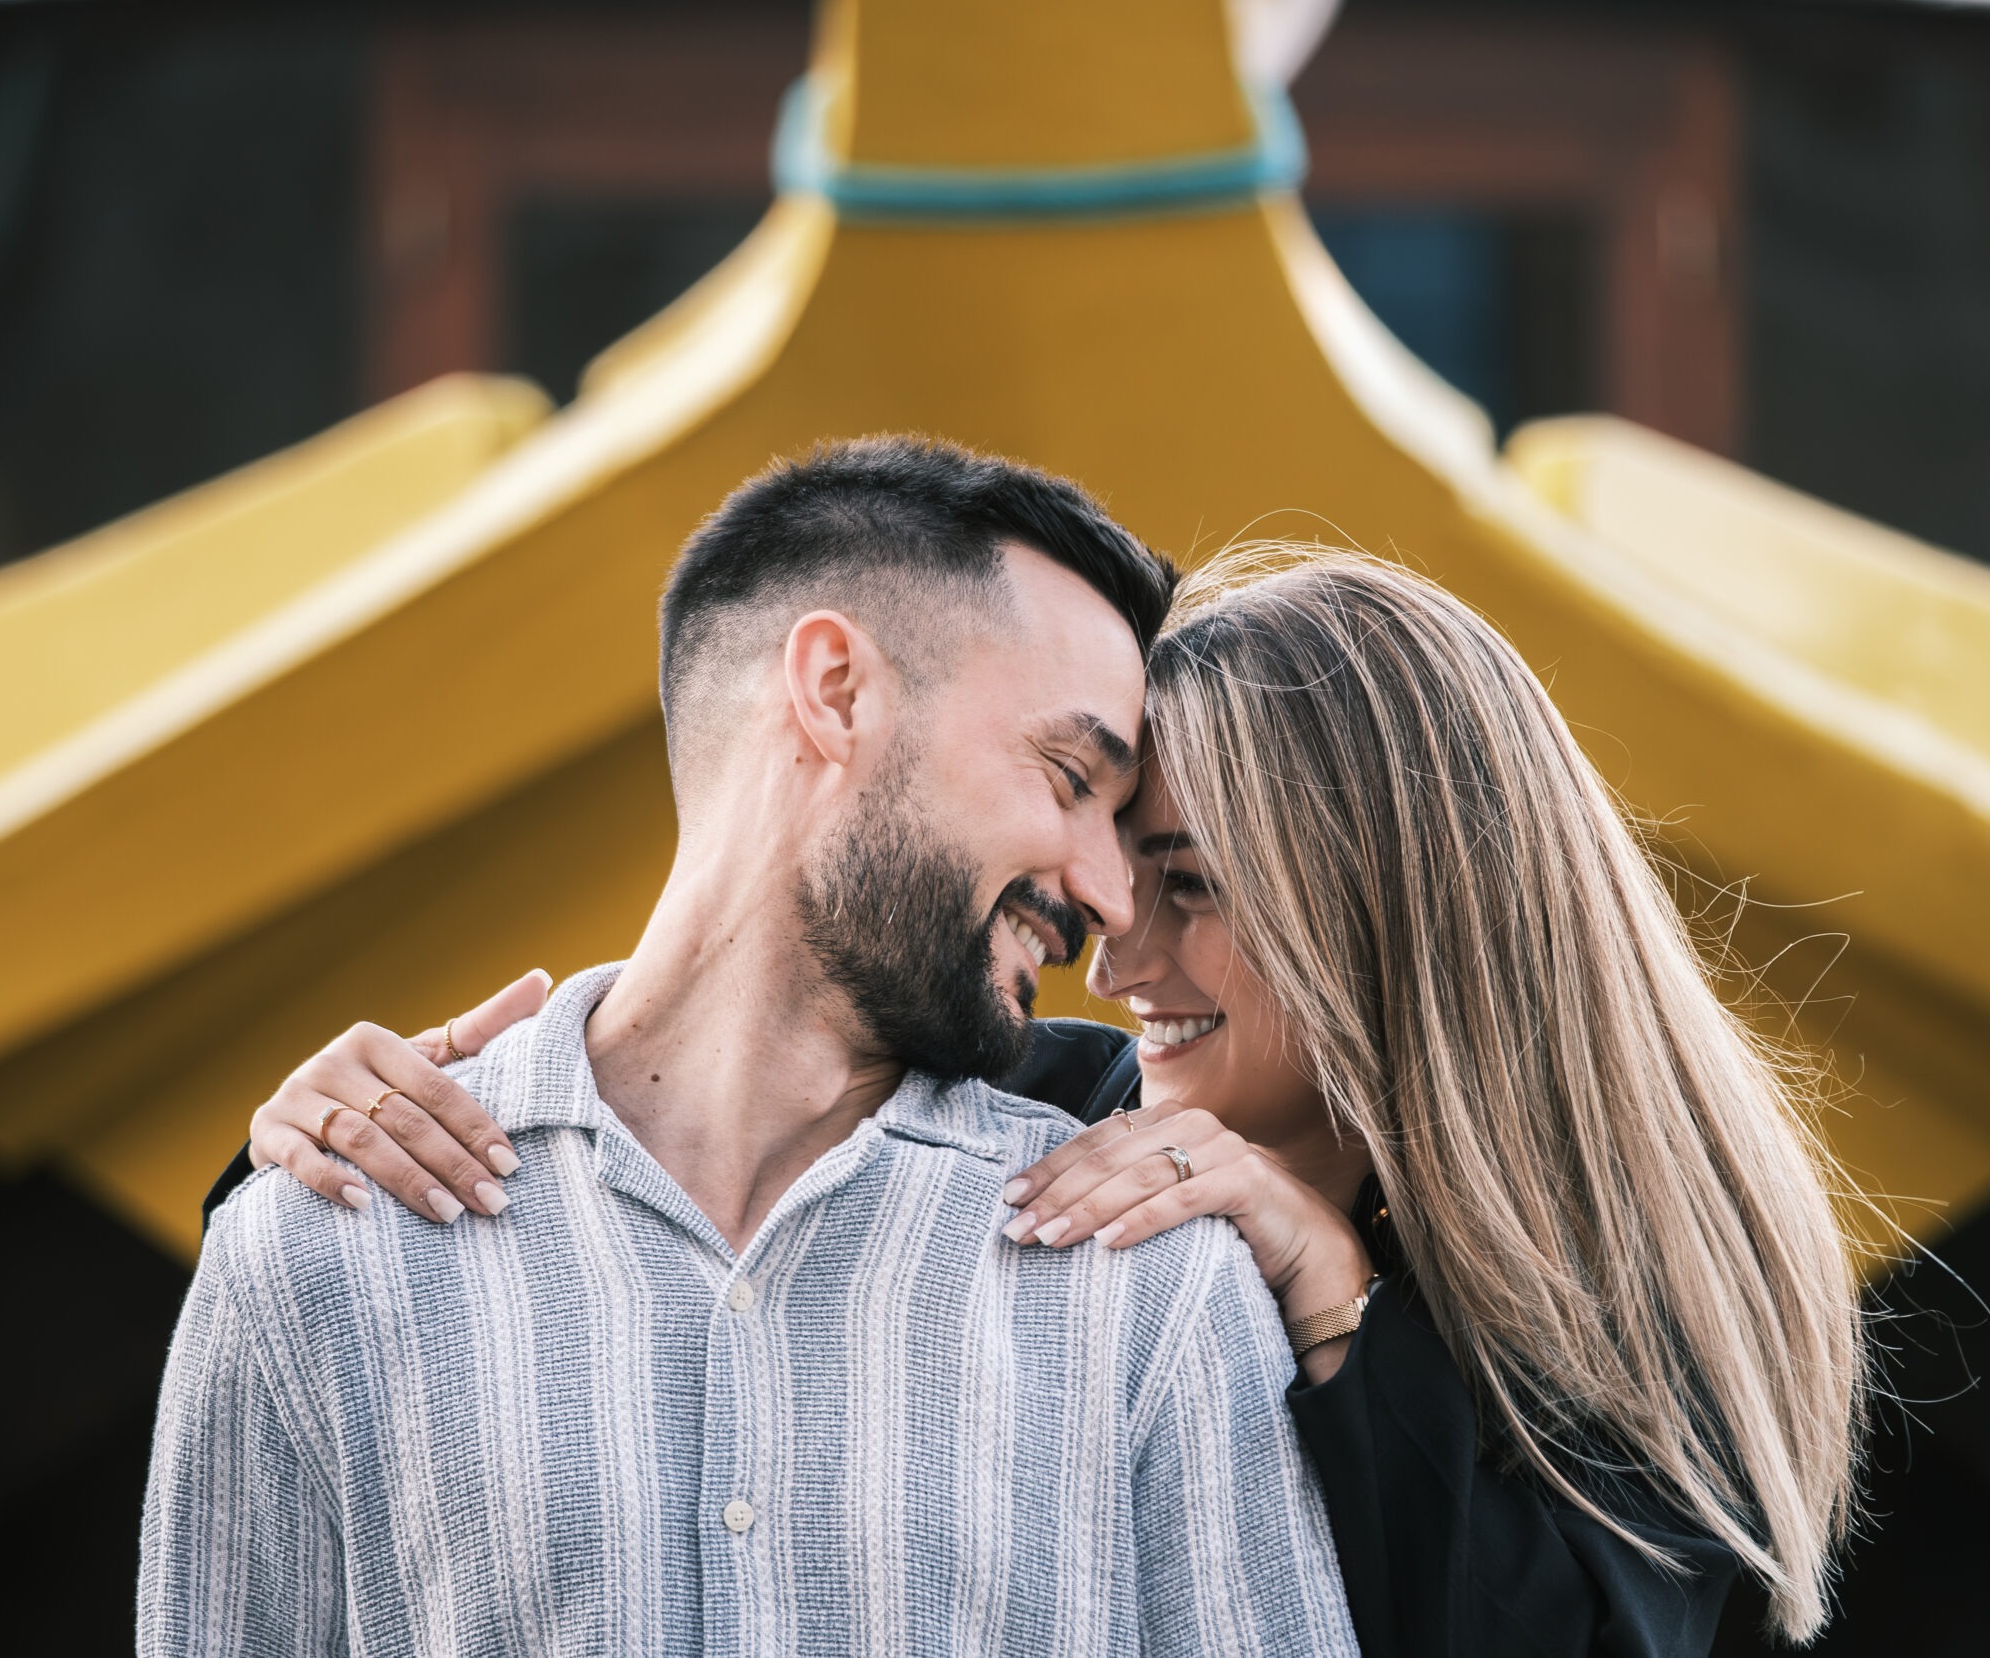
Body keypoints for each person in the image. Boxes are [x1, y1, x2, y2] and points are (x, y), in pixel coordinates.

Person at [233, 546, 1868, 1656]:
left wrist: (1333, 1299)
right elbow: (694, 1097)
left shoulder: (1652, 1278)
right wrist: (337, 1137)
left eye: (1189, 884)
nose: (1113, 949)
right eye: (1100, 872)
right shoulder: (1056, 1109)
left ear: (1390, 908)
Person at [142, 439, 1363, 1657]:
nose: (1107, 895)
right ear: (835, 690)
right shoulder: (309, 1255)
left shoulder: (1152, 1282)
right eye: (1065, 777)